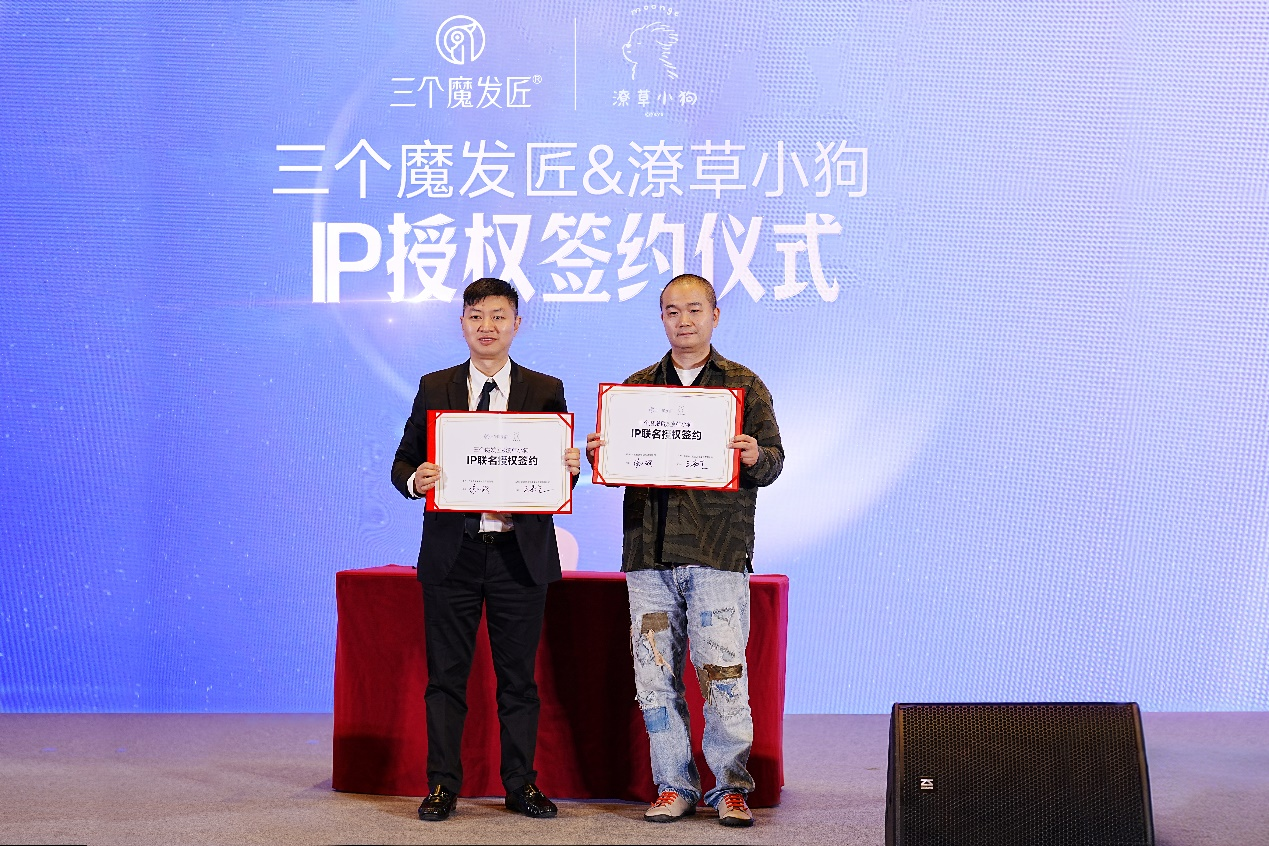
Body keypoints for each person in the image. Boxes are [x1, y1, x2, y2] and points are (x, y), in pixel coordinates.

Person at [585, 273, 784, 827]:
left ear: (715, 315)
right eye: (672, 311)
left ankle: (731, 787)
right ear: (662, 319)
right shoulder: (635, 389)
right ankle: (674, 785)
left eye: (694, 309)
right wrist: (602, 454)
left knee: (722, 672)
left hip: (717, 554)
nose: (684, 320)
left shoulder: (742, 385)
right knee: (654, 678)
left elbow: (774, 461)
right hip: (648, 555)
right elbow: (617, 463)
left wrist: (754, 456)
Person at [391, 277, 581, 821]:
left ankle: (521, 785)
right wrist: (417, 479)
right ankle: (442, 785)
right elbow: (402, 462)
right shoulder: (435, 387)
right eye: (476, 316)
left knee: (518, 680)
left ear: (517, 324)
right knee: (446, 678)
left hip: (519, 555)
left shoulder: (544, 389)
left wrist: (570, 469)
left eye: (498, 316)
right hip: (453, 553)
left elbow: (555, 472)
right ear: (462, 324)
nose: (487, 326)